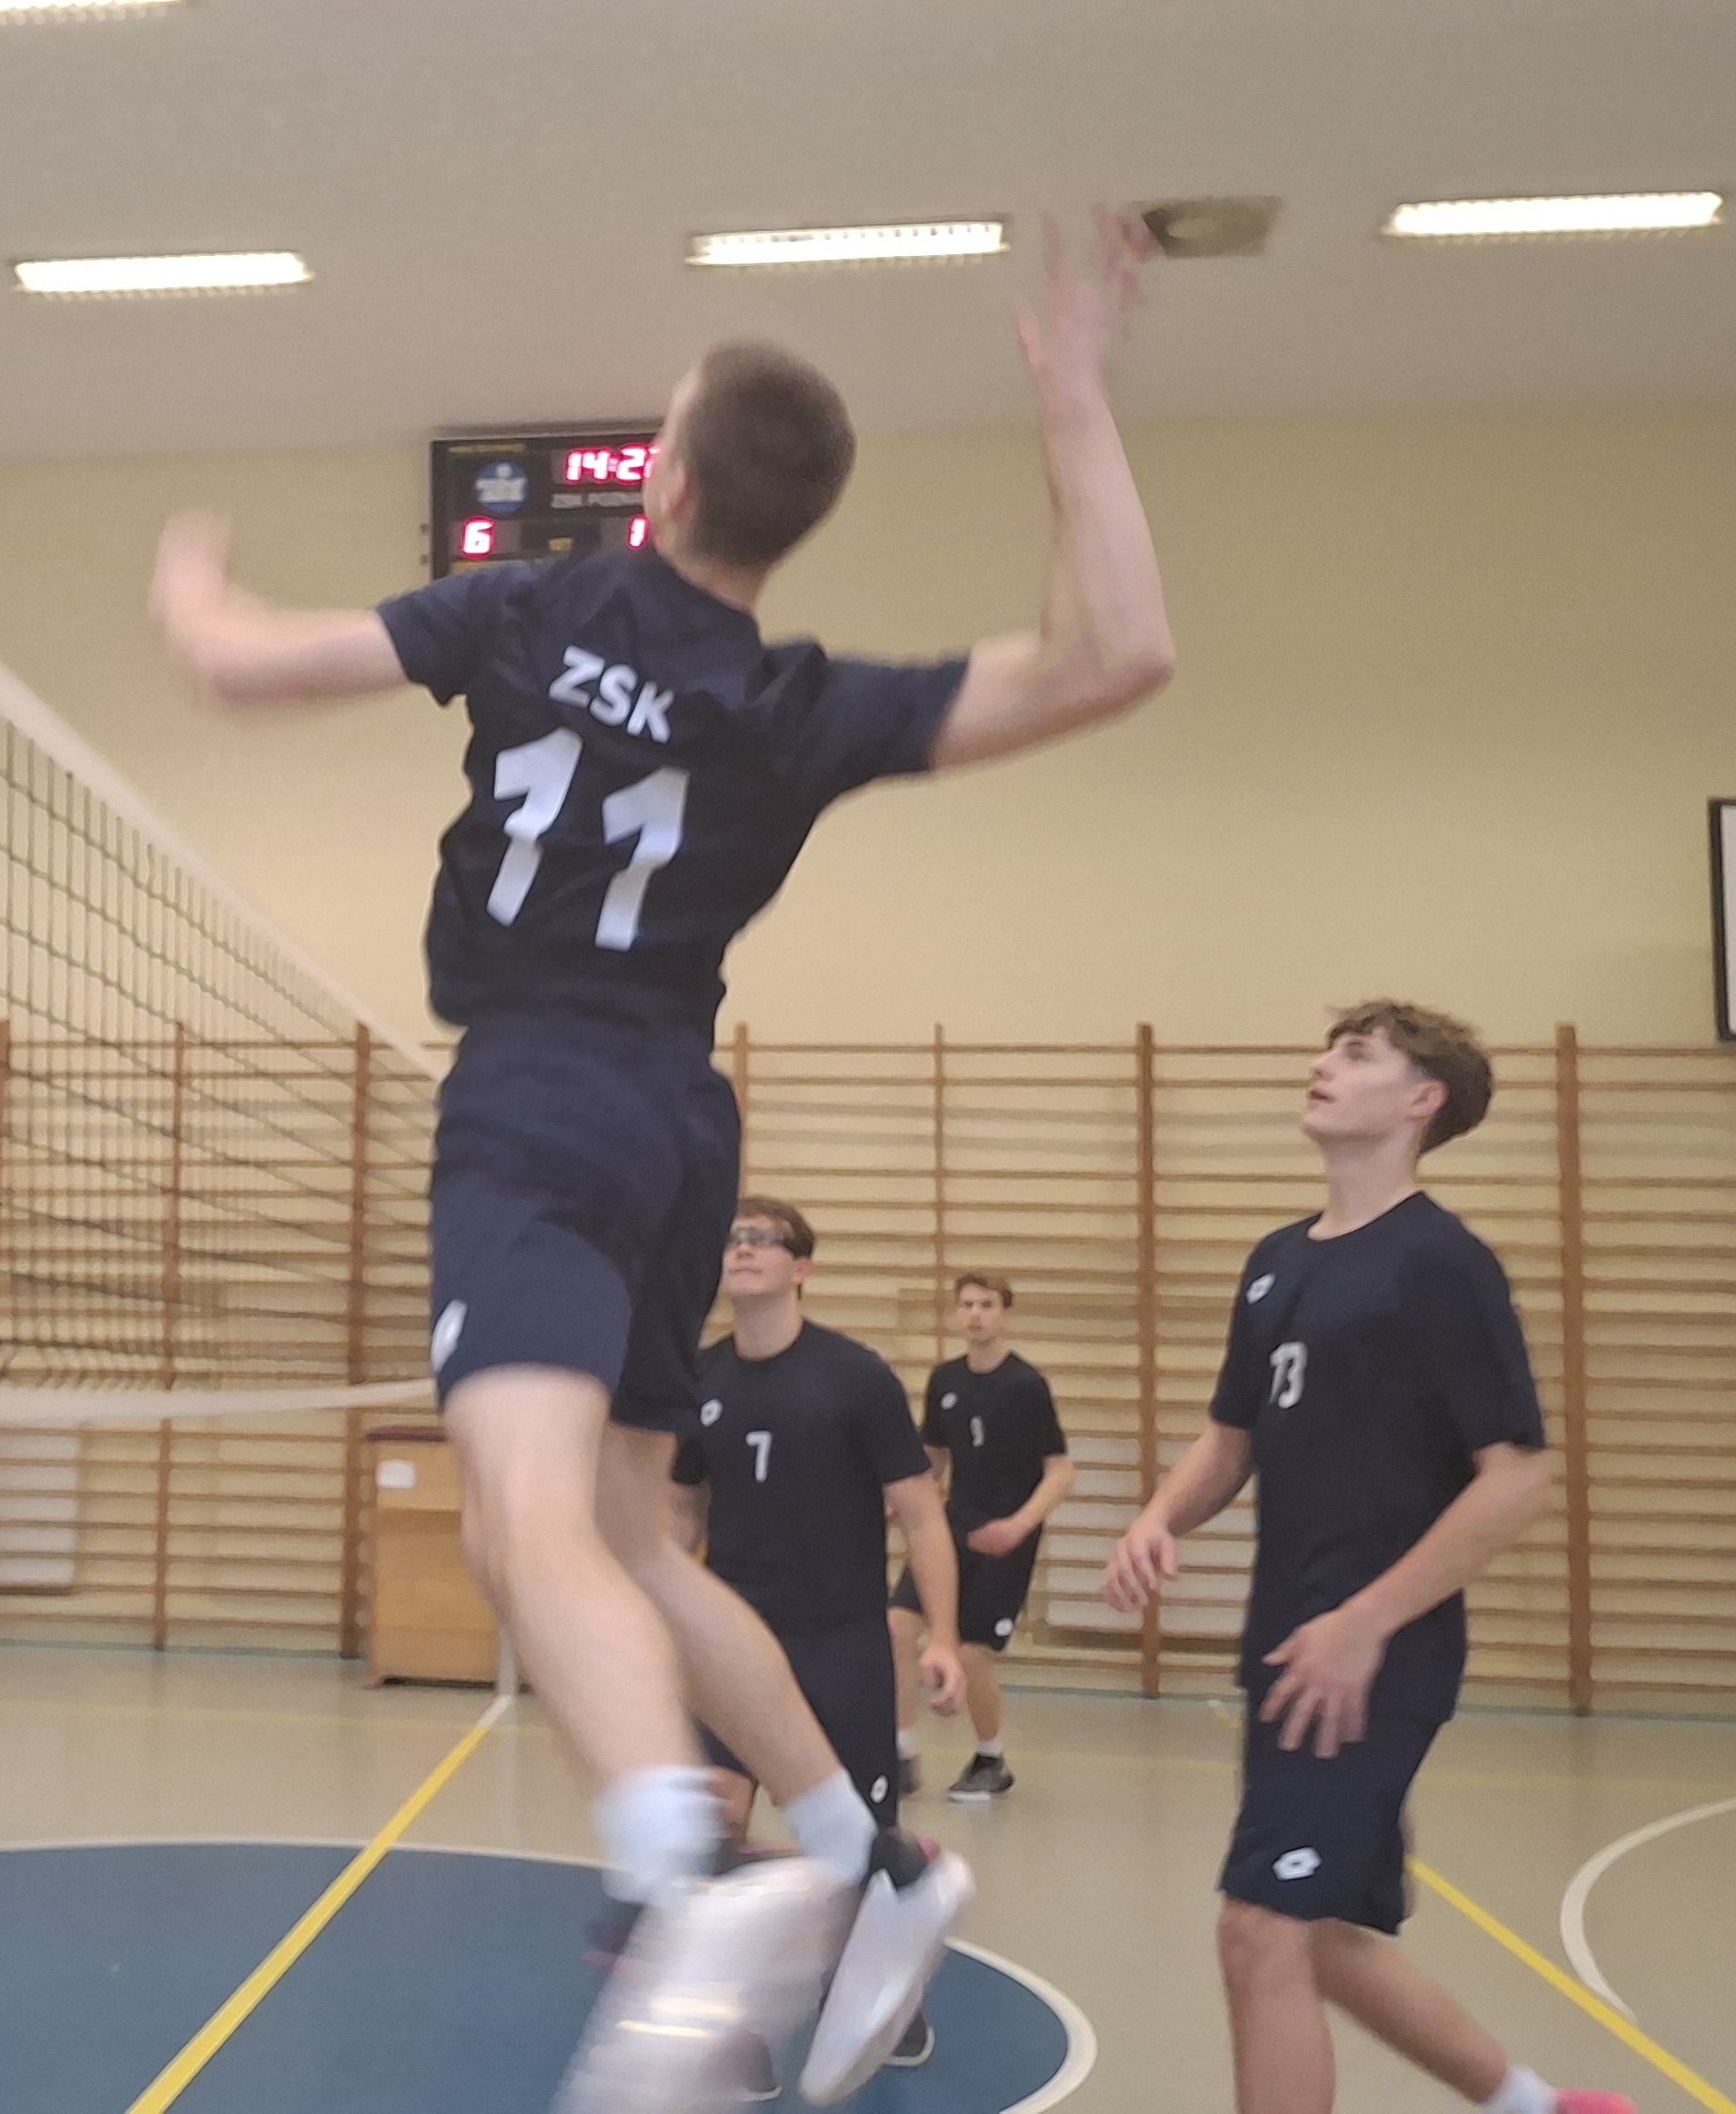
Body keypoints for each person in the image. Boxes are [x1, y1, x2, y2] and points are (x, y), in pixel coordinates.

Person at [153, 207, 1174, 2114]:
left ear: (667, 481)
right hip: (683, 1121)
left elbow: (234, 666)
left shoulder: (535, 607)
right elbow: (1121, 653)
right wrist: (1076, 397)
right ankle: (870, 1854)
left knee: (523, 1520)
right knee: (623, 1536)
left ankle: (678, 1876)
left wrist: (190, 572)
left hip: (533, 1098)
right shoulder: (795, 704)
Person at [1099, 1005, 1633, 2114]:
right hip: (1287, 1639)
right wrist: (1160, 1517)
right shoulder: (1276, 1261)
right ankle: (1537, 2106)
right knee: (1323, 1934)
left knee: (1259, 1929)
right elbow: (1233, 1438)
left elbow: (1516, 1479)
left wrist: (1366, 1622)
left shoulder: (1441, 1263)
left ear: (1421, 1099)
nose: (1319, 1065)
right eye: (1327, 1050)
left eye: (1355, 1056)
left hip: (1372, 1656)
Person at [672, 1199, 963, 2086]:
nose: (741, 1249)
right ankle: (738, 2026)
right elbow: (681, 1510)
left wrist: (943, 1637)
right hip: (732, 1641)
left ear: (801, 1268)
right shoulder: (699, 1378)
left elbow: (922, 1515)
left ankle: (877, 1991)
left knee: (856, 1844)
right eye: (730, 1236)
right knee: (713, 1827)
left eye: (762, 1238)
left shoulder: (854, 1377)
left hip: (840, 1643)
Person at [889, 1272, 1072, 1803]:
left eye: (986, 1305)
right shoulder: (944, 1380)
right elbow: (934, 1458)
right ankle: (900, 1753)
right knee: (897, 1626)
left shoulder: (1024, 1385)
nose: (975, 1314)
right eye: (966, 1304)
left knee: (972, 1653)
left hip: (1005, 1536)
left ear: (1005, 1314)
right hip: (951, 1527)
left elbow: (1060, 1469)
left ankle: (991, 1759)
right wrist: (903, 1500)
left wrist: (1019, 1525)